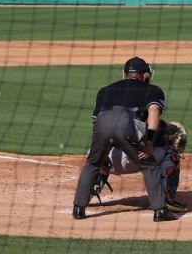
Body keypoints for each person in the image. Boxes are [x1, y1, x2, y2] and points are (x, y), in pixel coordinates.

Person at [72, 57, 178, 222]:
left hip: (102, 126)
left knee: (92, 163)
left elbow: (96, 121)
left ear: (125, 74)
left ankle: (78, 208)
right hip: (125, 126)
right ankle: (160, 210)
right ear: (145, 75)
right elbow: (154, 113)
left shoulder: (104, 90)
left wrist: (101, 153)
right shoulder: (152, 90)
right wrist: (149, 143)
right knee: (148, 165)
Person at [93, 120, 188, 213]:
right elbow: (162, 128)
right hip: (136, 160)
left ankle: (89, 190)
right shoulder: (152, 118)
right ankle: (166, 201)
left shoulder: (118, 114)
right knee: (171, 154)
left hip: (102, 158)